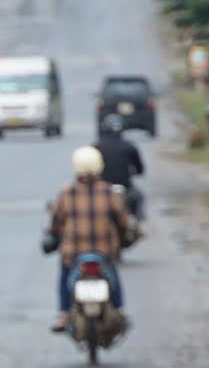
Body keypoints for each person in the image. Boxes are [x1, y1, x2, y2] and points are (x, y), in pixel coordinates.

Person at [45, 145, 138, 333]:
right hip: (103, 251)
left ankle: (63, 313)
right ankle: (119, 309)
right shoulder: (108, 192)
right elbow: (123, 220)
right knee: (113, 276)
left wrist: (52, 236)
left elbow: (55, 222)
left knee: (64, 276)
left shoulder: (66, 193)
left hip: (74, 254)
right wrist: (126, 234)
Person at [93, 114, 145, 215]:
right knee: (139, 198)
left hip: (101, 187)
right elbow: (140, 169)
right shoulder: (130, 146)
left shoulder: (96, 147)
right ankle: (137, 226)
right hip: (125, 186)